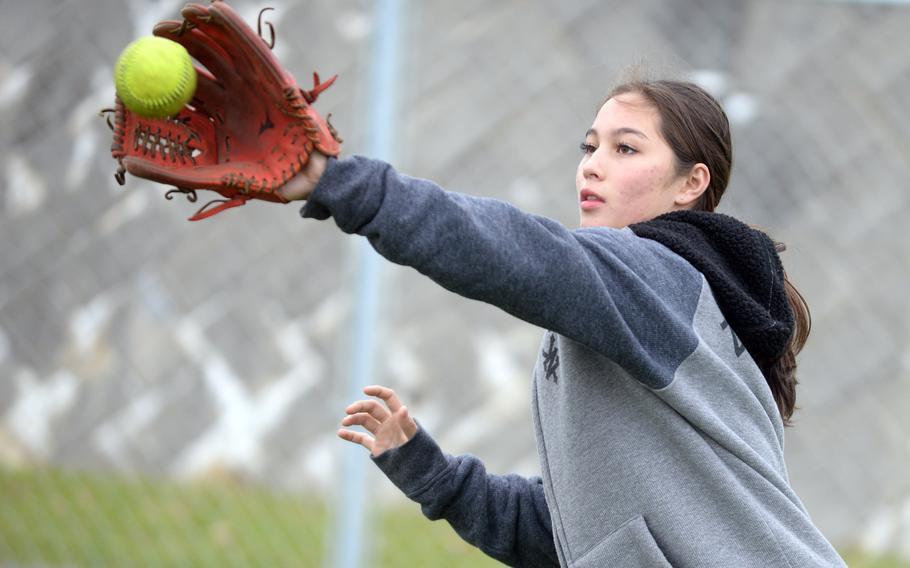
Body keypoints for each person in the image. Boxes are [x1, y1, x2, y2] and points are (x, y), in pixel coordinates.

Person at [278, 79, 846, 567]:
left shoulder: (658, 280)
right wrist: (440, 480)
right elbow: (583, 534)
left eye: (626, 149)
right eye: (590, 146)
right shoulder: (637, 301)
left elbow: (516, 254)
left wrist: (341, 181)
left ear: (690, 184)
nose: (593, 164)